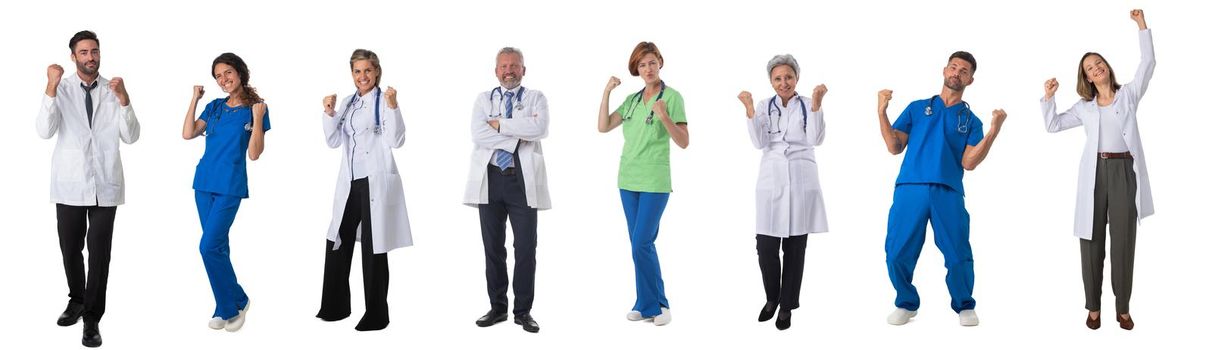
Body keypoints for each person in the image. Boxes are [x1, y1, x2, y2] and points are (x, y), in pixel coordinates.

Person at [1040, 9, 1154, 331]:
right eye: (1090, 67)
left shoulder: (1128, 95)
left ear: (1107, 68)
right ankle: (1093, 307)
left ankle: (1122, 306)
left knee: (1123, 241)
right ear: (1087, 78)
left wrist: (1141, 25)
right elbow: (1053, 125)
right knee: (1090, 242)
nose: (1096, 68)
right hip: (1094, 175)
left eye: (1099, 63)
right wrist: (1048, 98)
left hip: (1123, 173)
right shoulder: (1085, 109)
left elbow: (1147, 65)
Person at [876, 51, 1007, 327]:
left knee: (958, 252)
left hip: (947, 191)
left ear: (970, 80)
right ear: (944, 70)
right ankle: (906, 302)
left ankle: (964, 305)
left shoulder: (970, 121)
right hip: (910, 187)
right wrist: (881, 112)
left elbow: (969, 163)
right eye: (954, 67)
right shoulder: (917, 108)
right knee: (897, 251)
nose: (957, 73)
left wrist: (993, 131)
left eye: (964, 71)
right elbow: (894, 147)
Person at [36, 30, 140, 348]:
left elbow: (132, 135)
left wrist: (124, 100)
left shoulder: (113, 89)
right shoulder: (62, 89)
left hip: (105, 185)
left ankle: (92, 319)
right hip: (69, 184)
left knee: (99, 254)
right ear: (73, 56)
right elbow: (44, 130)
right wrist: (51, 87)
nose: (90, 57)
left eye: (94, 51)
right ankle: (77, 299)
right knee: (70, 249)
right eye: (83, 52)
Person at [316, 49, 413, 331]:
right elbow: (333, 141)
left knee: (373, 248)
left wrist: (394, 106)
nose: (362, 76)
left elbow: (397, 140)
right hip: (350, 182)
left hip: (375, 181)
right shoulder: (347, 103)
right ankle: (335, 307)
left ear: (377, 72)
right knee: (336, 240)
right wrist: (329, 113)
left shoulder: (385, 101)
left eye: (367, 71)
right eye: (357, 71)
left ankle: (376, 315)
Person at [597, 41, 689, 327]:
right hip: (628, 179)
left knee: (642, 243)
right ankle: (646, 303)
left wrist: (664, 117)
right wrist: (606, 92)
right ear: (636, 69)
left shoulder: (672, 98)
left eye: (651, 62)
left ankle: (659, 305)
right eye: (641, 64)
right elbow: (603, 126)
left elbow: (684, 142)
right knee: (639, 245)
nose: (647, 68)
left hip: (655, 181)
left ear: (660, 61)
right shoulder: (633, 101)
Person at [736, 54, 828, 331]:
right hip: (771, 178)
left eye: (789, 77)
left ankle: (786, 306)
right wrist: (750, 109)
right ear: (771, 81)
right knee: (765, 248)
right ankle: (771, 298)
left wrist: (817, 106)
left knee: (795, 249)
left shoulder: (806, 105)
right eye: (778, 78)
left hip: (801, 177)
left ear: (796, 78)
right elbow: (759, 142)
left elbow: (816, 139)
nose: (784, 82)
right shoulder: (764, 106)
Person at [180, 52, 269, 333]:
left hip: (230, 186)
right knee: (217, 247)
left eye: (228, 72)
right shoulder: (215, 106)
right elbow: (188, 133)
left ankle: (231, 306)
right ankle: (232, 301)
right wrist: (194, 98)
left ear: (240, 72)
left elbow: (254, 154)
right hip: (203, 183)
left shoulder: (256, 108)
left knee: (207, 247)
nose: (224, 79)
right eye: (218, 76)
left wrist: (257, 119)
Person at [464, 47, 550, 333]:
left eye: (514, 65)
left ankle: (523, 311)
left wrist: (499, 124)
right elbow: (478, 133)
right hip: (491, 179)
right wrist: (515, 136)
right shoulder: (483, 99)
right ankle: (498, 308)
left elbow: (539, 128)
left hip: (522, 181)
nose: (509, 70)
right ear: (496, 70)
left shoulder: (536, 97)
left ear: (524, 70)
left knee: (525, 248)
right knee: (493, 248)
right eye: (504, 66)